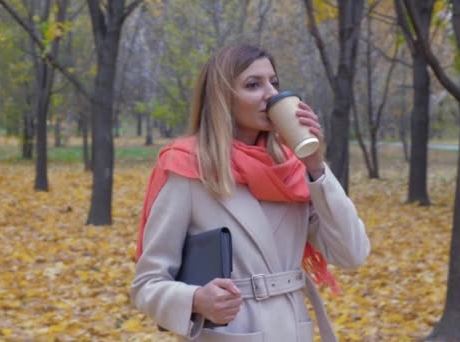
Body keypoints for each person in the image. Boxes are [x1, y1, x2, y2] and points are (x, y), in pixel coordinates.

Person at [130, 43, 370, 342]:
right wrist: (196, 299)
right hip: (230, 332)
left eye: (274, 82)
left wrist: (316, 165)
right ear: (222, 97)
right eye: (253, 85)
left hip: (294, 329)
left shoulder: (293, 170)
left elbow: (352, 253)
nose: (271, 94)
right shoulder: (187, 166)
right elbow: (147, 285)